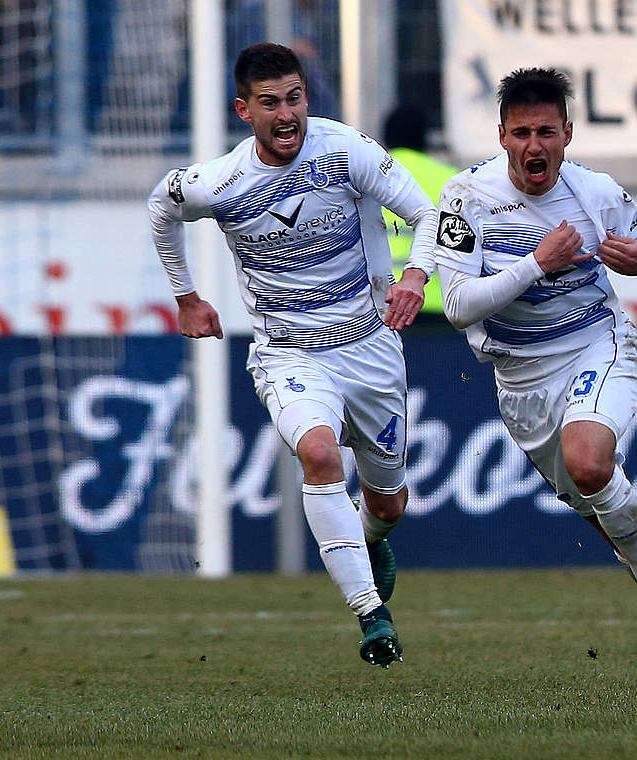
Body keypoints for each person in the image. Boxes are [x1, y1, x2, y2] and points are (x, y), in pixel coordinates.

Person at [432, 68, 637, 718]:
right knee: (604, 516)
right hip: (520, 384)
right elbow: (461, 305)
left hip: (595, 345)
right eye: (521, 132)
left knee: (589, 461)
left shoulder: (595, 192)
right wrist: (536, 263)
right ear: (501, 136)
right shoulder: (463, 199)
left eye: (546, 131)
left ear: (567, 133)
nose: (534, 145)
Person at [148, 42, 437, 668]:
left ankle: (369, 536)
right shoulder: (219, 182)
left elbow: (427, 212)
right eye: (271, 102)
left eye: (296, 97)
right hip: (290, 354)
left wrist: (415, 277)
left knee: (388, 501)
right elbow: (160, 210)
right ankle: (370, 614)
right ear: (244, 109)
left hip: (371, 346)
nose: (288, 114)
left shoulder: (347, 150)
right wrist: (187, 295)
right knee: (317, 452)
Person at [381, 107, 460, 322]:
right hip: (439, 307)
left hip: (383, 305)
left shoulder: (371, 180)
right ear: (426, 136)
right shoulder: (450, 180)